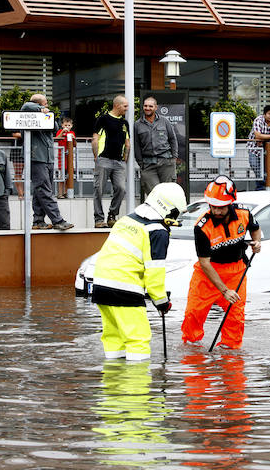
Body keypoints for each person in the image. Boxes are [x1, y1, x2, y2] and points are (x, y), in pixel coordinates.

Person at [91, 182, 187, 361]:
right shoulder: (157, 231)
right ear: (169, 209)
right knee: (138, 340)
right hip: (124, 289)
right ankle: (136, 385)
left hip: (100, 285)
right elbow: (154, 275)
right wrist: (162, 302)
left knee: (113, 338)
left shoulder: (127, 220)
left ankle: (113, 383)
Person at [181, 176, 262, 350]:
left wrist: (257, 243)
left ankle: (230, 355)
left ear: (231, 203)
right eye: (212, 206)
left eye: (220, 207)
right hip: (207, 273)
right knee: (193, 313)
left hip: (236, 271)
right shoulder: (202, 227)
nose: (216, 211)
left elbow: (255, 230)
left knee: (235, 316)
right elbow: (204, 263)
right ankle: (192, 350)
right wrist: (224, 290)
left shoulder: (244, 214)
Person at [21, 94, 73, 230]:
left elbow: (55, 128)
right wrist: (39, 109)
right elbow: (26, 105)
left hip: (48, 158)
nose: (47, 106)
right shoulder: (29, 112)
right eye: (45, 104)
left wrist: (46, 113)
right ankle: (58, 220)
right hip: (36, 157)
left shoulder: (45, 116)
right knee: (44, 190)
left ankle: (38, 220)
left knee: (41, 191)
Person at [93, 95, 130, 228]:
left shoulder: (124, 123)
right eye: (125, 106)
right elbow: (95, 139)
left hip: (119, 162)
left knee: (121, 188)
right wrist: (96, 157)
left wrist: (125, 158)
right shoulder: (103, 119)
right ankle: (98, 219)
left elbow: (127, 142)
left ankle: (112, 215)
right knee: (99, 190)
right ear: (117, 105)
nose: (127, 108)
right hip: (103, 160)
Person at [134, 96, 178, 197]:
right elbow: (137, 146)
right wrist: (141, 163)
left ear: (156, 107)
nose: (147, 108)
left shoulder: (164, 121)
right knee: (154, 195)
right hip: (148, 165)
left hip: (166, 162)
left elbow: (173, 139)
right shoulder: (137, 124)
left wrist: (174, 157)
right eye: (145, 106)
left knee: (168, 193)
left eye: (150, 106)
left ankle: (169, 213)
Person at [246, 106, 270, 190]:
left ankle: (263, 187)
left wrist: (264, 137)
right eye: (269, 114)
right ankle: (261, 187)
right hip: (254, 147)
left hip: (266, 149)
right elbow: (257, 135)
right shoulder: (258, 120)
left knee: (266, 168)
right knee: (255, 165)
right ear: (264, 114)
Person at [54, 117, 76, 198]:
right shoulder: (60, 131)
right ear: (62, 125)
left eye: (69, 125)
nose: (67, 126)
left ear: (72, 126)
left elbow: (75, 144)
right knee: (61, 176)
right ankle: (60, 193)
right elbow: (56, 139)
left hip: (69, 158)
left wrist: (74, 139)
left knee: (68, 176)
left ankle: (66, 192)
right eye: (65, 125)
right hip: (61, 158)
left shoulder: (72, 133)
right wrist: (63, 132)